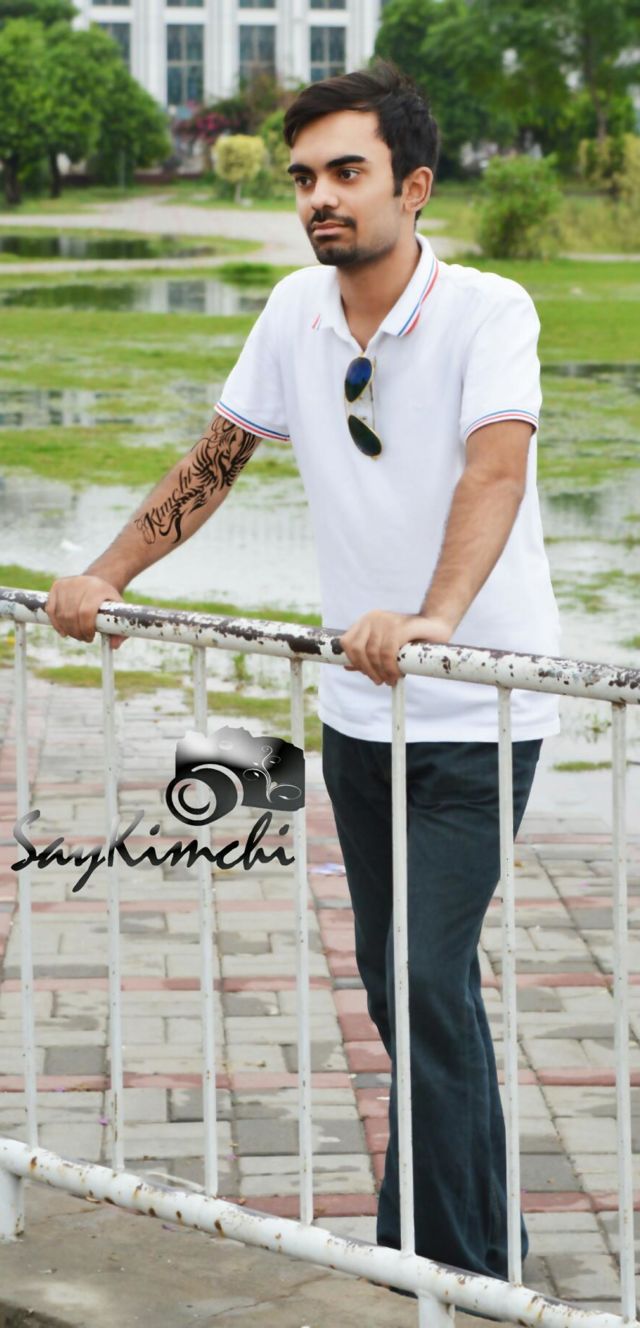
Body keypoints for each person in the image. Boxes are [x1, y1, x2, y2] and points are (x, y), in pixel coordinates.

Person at [45, 58, 560, 1300]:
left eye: (345, 172)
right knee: (397, 984)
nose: (318, 197)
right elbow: (215, 461)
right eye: (302, 178)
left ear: (413, 187)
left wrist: (435, 619)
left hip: (479, 709)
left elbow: (494, 470)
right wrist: (103, 575)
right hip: (357, 713)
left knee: (427, 975)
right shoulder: (294, 312)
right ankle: (436, 1243)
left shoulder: (490, 310)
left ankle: (462, 1266)